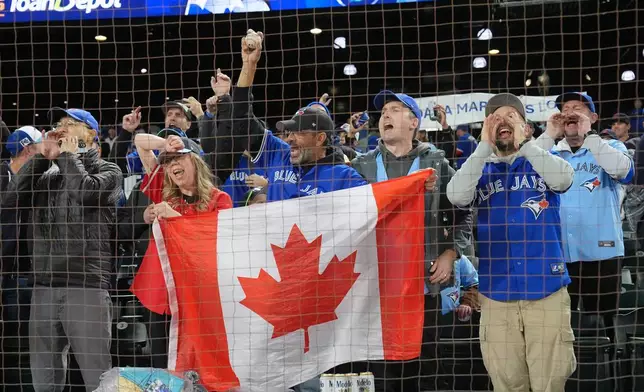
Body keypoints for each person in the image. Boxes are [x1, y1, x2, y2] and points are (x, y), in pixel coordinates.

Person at [232, 29, 370, 392]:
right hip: (273, 287)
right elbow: (240, 117)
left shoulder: (345, 177)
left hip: (318, 294)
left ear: (321, 138)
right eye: (288, 132)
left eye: (297, 133)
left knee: (308, 380)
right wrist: (249, 66)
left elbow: (369, 221)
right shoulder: (278, 156)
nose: (289, 138)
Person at [447, 93, 576, 392]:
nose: (502, 122)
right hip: (496, 294)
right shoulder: (480, 169)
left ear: (527, 127)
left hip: (547, 290)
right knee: (506, 384)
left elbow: (563, 180)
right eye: (495, 118)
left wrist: (526, 144)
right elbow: (456, 196)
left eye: (511, 117)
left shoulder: (543, 162)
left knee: (551, 384)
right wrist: (483, 146)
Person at [346, 89, 468, 392]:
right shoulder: (360, 167)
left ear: (414, 122)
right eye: (384, 110)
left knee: (425, 368)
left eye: (396, 110)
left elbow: (465, 213)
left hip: (424, 284)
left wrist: (451, 253)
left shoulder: (437, 165)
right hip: (374, 287)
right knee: (381, 370)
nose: (386, 114)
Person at [2, 108, 122, 392]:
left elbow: (85, 192)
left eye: (71, 124)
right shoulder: (46, 176)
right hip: (43, 287)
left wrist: (67, 157)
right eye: (60, 124)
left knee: (98, 378)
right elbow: (10, 201)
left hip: (86, 286)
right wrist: (41, 159)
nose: (62, 128)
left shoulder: (109, 171)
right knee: (44, 381)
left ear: (91, 134)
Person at [535, 92, 634, 347]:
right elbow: (526, 171)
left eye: (577, 108)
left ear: (593, 117)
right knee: (561, 328)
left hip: (601, 253)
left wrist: (590, 136)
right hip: (559, 256)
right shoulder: (550, 153)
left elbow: (624, 171)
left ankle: (612, 373)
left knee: (605, 328)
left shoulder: (610, 147)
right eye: (565, 108)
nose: (569, 112)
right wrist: (549, 133)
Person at [130, 133, 233, 368]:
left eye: (178, 158)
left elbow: (217, 244)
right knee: (161, 362)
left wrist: (174, 216)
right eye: (167, 161)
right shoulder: (163, 192)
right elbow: (139, 142)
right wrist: (163, 144)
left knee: (197, 364)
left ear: (195, 160)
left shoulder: (220, 199)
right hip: (160, 294)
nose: (172, 165)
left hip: (199, 297)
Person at [0, 126, 42, 391]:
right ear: (28, 149)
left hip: (25, 276)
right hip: (4, 274)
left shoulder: (38, 181)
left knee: (22, 347)